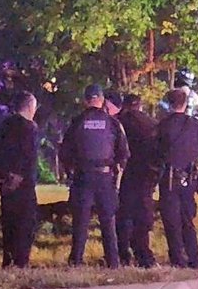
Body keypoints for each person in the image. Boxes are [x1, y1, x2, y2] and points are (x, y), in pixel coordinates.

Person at [59, 84, 129, 268]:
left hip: (83, 177)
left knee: (80, 222)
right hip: (105, 178)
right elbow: (123, 153)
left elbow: (64, 151)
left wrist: (70, 172)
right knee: (108, 221)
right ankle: (113, 262)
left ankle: (76, 261)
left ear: (85, 100)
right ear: (102, 100)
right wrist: (116, 173)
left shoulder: (77, 122)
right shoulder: (113, 123)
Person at [0, 90, 40, 268]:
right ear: (30, 107)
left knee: (9, 225)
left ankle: (8, 261)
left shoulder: (4, 125)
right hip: (23, 186)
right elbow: (29, 157)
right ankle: (21, 264)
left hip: (5, 184)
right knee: (26, 226)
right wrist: (21, 177)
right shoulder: (29, 128)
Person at [155, 88, 198, 268]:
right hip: (189, 179)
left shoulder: (163, 125)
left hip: (168, 179)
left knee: (171, 221)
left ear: (169, 104)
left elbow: (156, 151)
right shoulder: (194, 125)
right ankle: (194, 257)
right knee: (187, 220)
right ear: (185, 103)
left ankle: (177, 258)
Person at [115, 93, 159, 268]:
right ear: (140, 105)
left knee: (123, 214)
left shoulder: (116, 122)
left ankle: (122, 255)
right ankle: (144, 255)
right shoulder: (152, 124)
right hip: (145, 175)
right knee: (143, 215)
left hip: (124, 175)